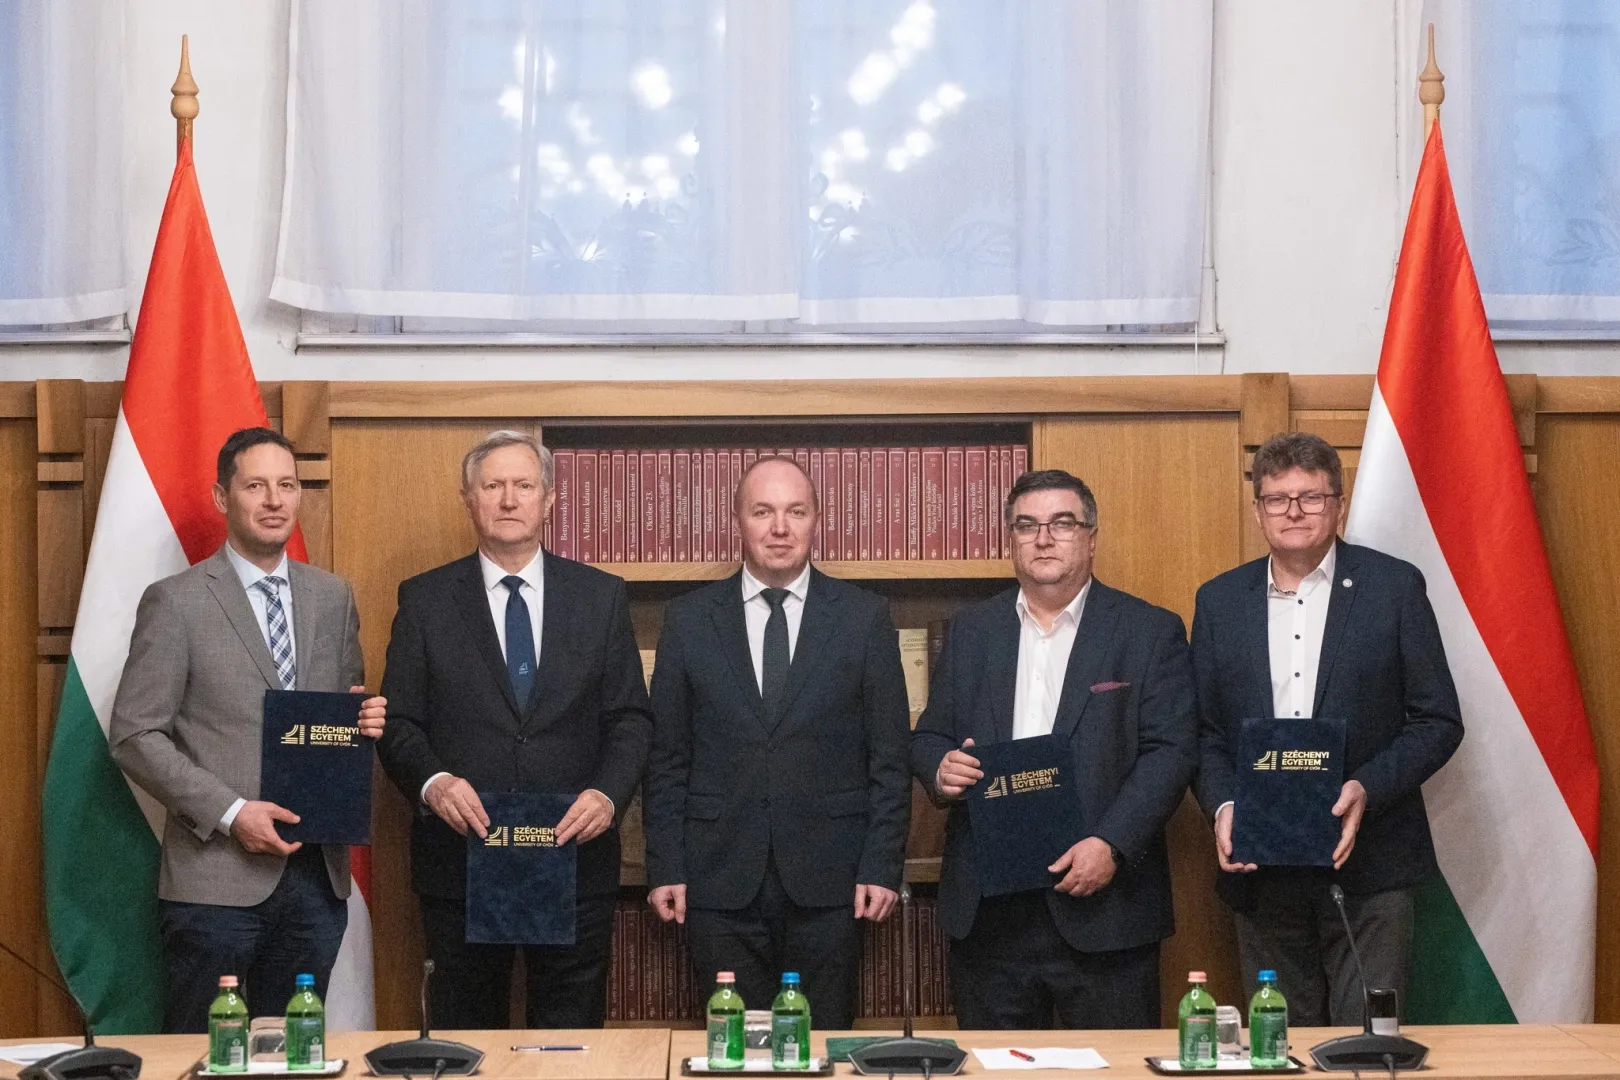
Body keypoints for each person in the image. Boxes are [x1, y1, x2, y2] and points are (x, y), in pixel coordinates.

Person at [108, 427, 386, 1033]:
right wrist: (233, 812)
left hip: (316, 881)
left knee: (297, 1060)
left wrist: (364, 719)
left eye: (286, 485)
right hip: (215, 886)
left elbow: (338, 715)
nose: (273, 500)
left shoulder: (333, 598)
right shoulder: (175, 602)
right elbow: (134, 734)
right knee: (203, 1058)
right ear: (221, 497)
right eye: (255, 485)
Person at [376, 430, 651, 1029]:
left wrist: (607, 794)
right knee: (467, 1040)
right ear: (468, 499)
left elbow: (630, 717)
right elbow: (398, 722)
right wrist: (434, 783)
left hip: (574, 856)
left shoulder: (599, 597)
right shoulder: (424, 600)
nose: (508, 499)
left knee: (571, 1044)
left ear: (548, 500)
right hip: (462, 862)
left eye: (523, 485)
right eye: (492, 486)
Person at [1190, 431, 1463, 1025]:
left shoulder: (1394, 587)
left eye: (1310, 497)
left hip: (1372, 861)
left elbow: (1437, 719)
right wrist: (1223, 806)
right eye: (1277, 498)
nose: (1293, 511)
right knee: (1276, 1045)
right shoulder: (1219, 601)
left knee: (1366, 1045)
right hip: (1259, 867)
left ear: (1338, 504)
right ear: (1258, 508)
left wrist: (1367, 787)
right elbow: (1206, 734)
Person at [911, 468, 1196, 1030]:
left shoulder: (1148, 630)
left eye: (1062, 523)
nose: (1044, 538)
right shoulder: (971, 631)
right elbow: (928, 735)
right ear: (1011, 541)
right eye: (1027, 525)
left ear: (1091, 537)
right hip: (991, 914)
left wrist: (1111, 844)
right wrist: (939, 769)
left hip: (1106, 910)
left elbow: (1172, 752)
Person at [644, 456, 911, 1028]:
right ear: (737, 521)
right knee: (731, 1049)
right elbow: (667, 760)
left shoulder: (864, 619)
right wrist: (665, 862)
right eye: (762, 511)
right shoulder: (688, 621)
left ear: (818, 520)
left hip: (834, 881)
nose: (780, 528)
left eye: (796, 511)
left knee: (823, 1044)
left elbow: (888, 760)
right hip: (717, 880)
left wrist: (882, 865)